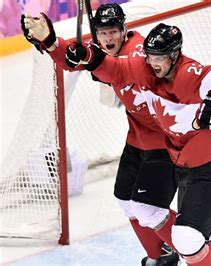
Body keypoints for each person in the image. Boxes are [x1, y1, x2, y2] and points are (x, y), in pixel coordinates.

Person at [65, 22, 211, 265]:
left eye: (159, 57)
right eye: (150, 56)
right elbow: (111, 66)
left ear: (174, 55)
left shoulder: (188, 74)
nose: (153, 63)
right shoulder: (144, 69)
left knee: (186, 236)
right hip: (187, 168)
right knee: (205, 232)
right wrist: (83, 54)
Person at [20, 5, 179, 265]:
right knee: (126, 201)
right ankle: (160, 257)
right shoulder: (102, 49)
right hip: (137, 139)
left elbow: (120, 68)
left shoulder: (138, 49)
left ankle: (198, 249)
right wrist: (49, 41)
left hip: (166, 142)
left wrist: (93, 59)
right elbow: (71, 58)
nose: (108, 39)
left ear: (124, 29)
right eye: (102, 33)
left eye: (114, 31)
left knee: (148, 209)